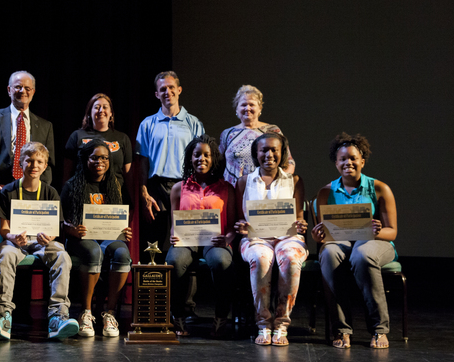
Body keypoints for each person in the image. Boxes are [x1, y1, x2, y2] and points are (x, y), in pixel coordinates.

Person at [0, 142, 79, 340]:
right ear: (20, 163)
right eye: (29, 160)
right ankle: (2, 315)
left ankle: (58, 316)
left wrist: (49, 237)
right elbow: (4, 229)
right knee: (5, 254)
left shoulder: (50, 192)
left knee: (61, 255)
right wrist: (12, 237)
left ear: (45, 166)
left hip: (42, 242)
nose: (34, 165)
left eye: (39, 162)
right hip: (16, 242)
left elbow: (54, 229)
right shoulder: (8, 191)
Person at [311, 133, 397, 349]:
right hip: (340, 244)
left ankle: (379, 329)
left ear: (362, 161)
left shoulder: (379, 188)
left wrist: (375, 232)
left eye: (353, 158)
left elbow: (392, 232)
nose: (348, 163)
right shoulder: (326, 192)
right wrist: (317, 237)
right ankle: (341, 329)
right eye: (342, 159)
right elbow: (325, 236)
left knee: (362, 255)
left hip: (374, 243)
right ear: (336, 163)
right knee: (329, 254)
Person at [136, 71, 205, 321]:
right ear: (157, 94)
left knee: (184, 247)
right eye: (162, 89)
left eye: (171, 87)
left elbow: (201, 161)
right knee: (151, 248)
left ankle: (185, 309)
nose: (167, 92)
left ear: (179, 90)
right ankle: (151, 306)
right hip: (154, 189)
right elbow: (142, 162)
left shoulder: (193, 123)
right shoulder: (147, 124)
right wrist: (143, 193)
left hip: (185, 189)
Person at [235, 132, 308, 346]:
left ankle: (282, 324)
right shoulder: (243, 182)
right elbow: (240, 219)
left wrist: (301, 224)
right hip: (257, 238)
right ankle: (263, 324)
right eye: (264, 150)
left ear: (282, 153)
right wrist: (241, 226)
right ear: (256, 153)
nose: (269, 154)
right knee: (260, 258)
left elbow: (300, 217)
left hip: (287, 237)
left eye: (274, 149)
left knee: (291, 260)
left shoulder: (294, 180)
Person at [61, 139, 132, 338]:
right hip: (81, 239)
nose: (99, 161)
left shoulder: (114, 185)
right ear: (85, 159)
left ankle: (109, 314)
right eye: (94, 158)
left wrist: (123, 231)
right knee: (93, 252)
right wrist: (70, 229)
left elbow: (118, 217)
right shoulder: (72, 185)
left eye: (104, 158)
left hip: (108, 237)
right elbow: (60, 221)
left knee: (122, 252)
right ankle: (86, 312)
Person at [167, 135, 236, 337]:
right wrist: (174, 236)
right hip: (186, 240)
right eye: (197, 155)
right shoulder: (179, 188)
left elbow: (231, 225)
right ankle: (177, 316)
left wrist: (228, 239)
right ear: (190, 158)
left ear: (214, 159)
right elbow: (174, 222)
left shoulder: (226, 188)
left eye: (207, 155)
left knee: (222, 262)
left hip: (216, 241)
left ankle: (221, 316)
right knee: (174, 261)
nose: (201, 159)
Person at [0, 71, 55, 186]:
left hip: (30, 191)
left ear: (33, 92)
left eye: (27, 88)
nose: (23, 91)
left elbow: (48, 164)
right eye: (18, 87)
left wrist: (39, 189)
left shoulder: (45, 126)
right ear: (9, 90)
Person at [219, 85, 295, 187]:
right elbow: (218, 165)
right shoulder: (227, 134)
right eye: (243, 105)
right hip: (232, 192)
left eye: (251, 104)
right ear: (236, 109)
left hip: (264, 192)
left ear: (260, 108)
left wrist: (277, 184)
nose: (247, 108)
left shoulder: (272, 131)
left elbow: (289, 162)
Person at [64, 93, 133, 201]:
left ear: (111, 113)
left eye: (105, 107)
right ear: (89, 113)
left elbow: (128, 176)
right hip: (82, 197)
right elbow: (67, 172)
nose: (101, 110)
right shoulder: (77, 136)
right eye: (96, 107)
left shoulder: (122, 138)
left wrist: (130, 200)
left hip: (115, 197)